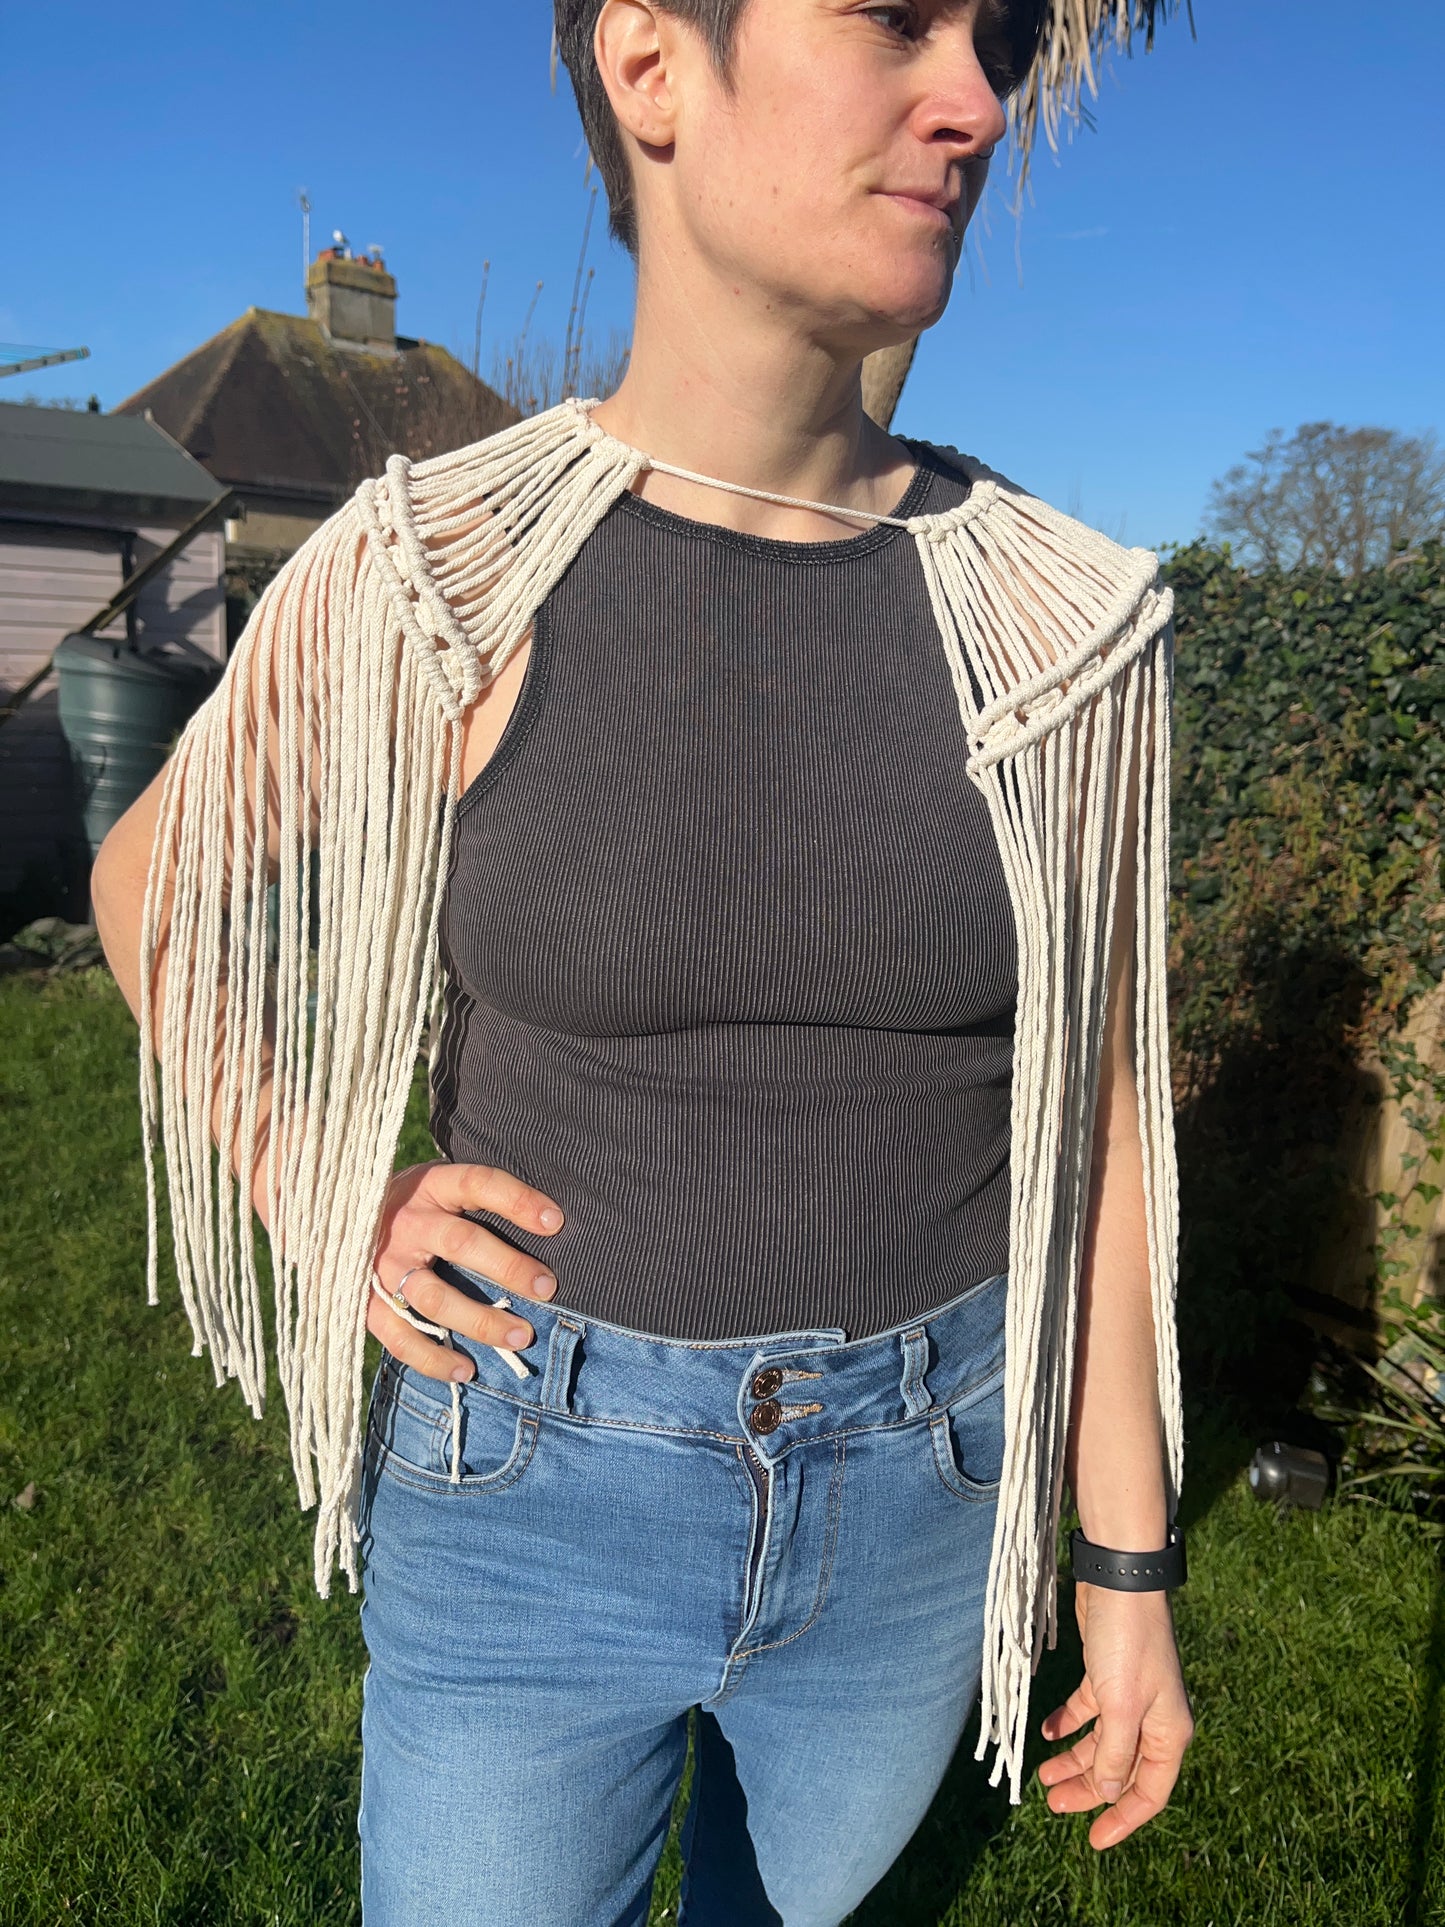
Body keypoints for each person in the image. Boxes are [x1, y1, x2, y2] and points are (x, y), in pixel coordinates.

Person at [94, 1, 1195, 1920]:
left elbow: (1096, 1135)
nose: (971, 104)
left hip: (926, 1496)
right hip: (530, 1477)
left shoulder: (1063, 626)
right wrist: (316, 1183)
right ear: (649, 66)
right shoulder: (445, 573)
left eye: (998, 43)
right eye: (891, 23)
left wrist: (1123, 1575)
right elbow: (150, 883)